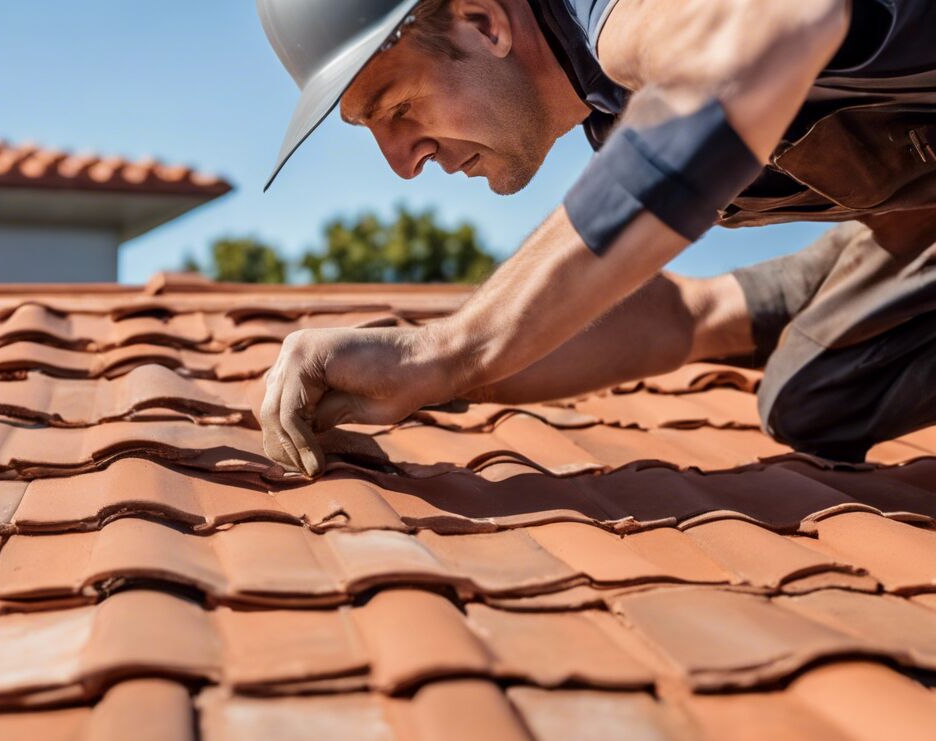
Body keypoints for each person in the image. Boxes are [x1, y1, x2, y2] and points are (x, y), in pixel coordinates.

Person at [254, 0, 935, 475]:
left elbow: (761, 30)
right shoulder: (620, 106)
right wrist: (426, 369)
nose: (402, 163)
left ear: (482, 21)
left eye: (400, 108)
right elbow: (682, 317)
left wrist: (452, 348)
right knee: (817, 392)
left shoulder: (623, 13)